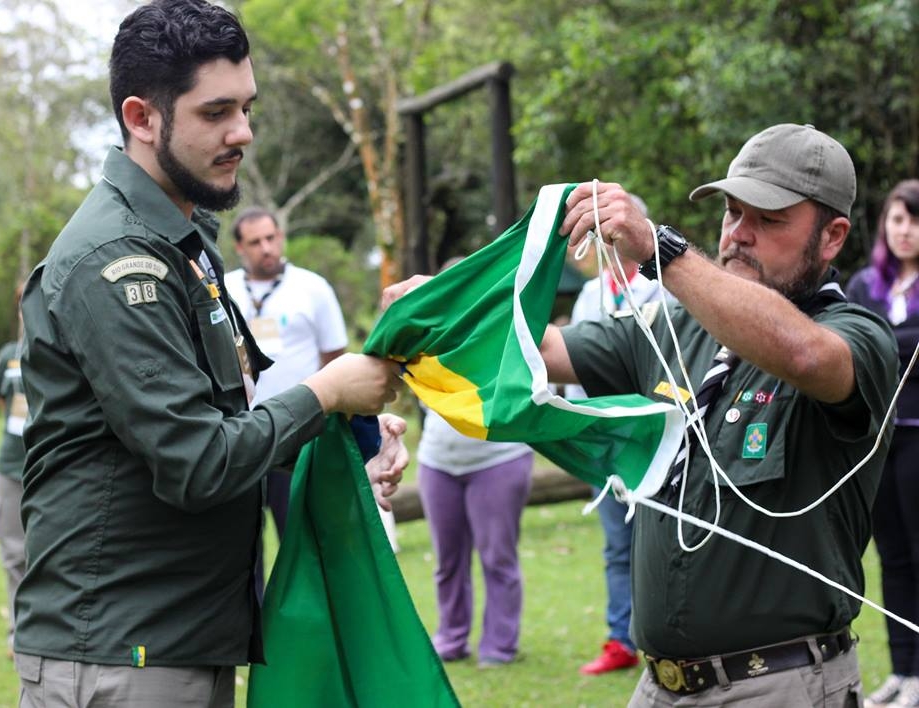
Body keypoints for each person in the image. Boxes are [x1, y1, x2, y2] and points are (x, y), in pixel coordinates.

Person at [385, 124, 899, 707]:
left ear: (832, 238)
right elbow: (544, 350)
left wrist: (661, 250)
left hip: (778, 687)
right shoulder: (672, 329)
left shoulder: (858, 336)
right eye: (733, 213)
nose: (739, 235)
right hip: (660, 687)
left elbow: (805, 356)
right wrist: (440, 305)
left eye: (769, 219)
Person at [14, 2, 404, 706]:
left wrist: (346, 430)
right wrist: (326, 393)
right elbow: (195, 462)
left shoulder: (181, 242)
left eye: (247, 108)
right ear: (141, 118)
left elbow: (222, 422)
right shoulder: (117, 258)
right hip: (123, 651)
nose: (243, 133)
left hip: (179, 636)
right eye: (216, 113)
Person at [566, 195, 673, 677]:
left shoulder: (664, 289)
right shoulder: (591, 295)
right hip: (605, 435)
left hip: (654, 433)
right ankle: (620, 638)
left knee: (661, 538)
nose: (606, 239)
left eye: (613, 228)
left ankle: (666, 635)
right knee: (616, 544)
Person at [416, 257, 534, 668]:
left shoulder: (503, 325)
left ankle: (499, 647)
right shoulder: (430, 330)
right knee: (447, 561)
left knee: (497, 557)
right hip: (438, 460)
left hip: (498, 459)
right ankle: (450, 639)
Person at [225, 207, 347, 539]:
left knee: (300, 537)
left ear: (281, 237)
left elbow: (335, 360)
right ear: (239, 247)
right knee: (240, 548)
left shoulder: (312, 288)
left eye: (271, 238)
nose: (266, 248)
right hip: (241, 438)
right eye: (255, 242)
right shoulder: (223, 290)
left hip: (297, 435)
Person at [846, 179, 919, 708]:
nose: (906, 230)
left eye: (915, 221)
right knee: (891, 558)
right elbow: (848, 344)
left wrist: (881, 346)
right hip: (877, 441)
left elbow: (871, 348)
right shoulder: (863, 285)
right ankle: (903, 674)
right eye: (898, 219)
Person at [0, 285, 28, 659]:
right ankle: (19, 636)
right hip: (11, 468)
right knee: (15, 556)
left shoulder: (63, 350)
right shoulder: (7, 357)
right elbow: (2, 404)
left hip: (52, 471)